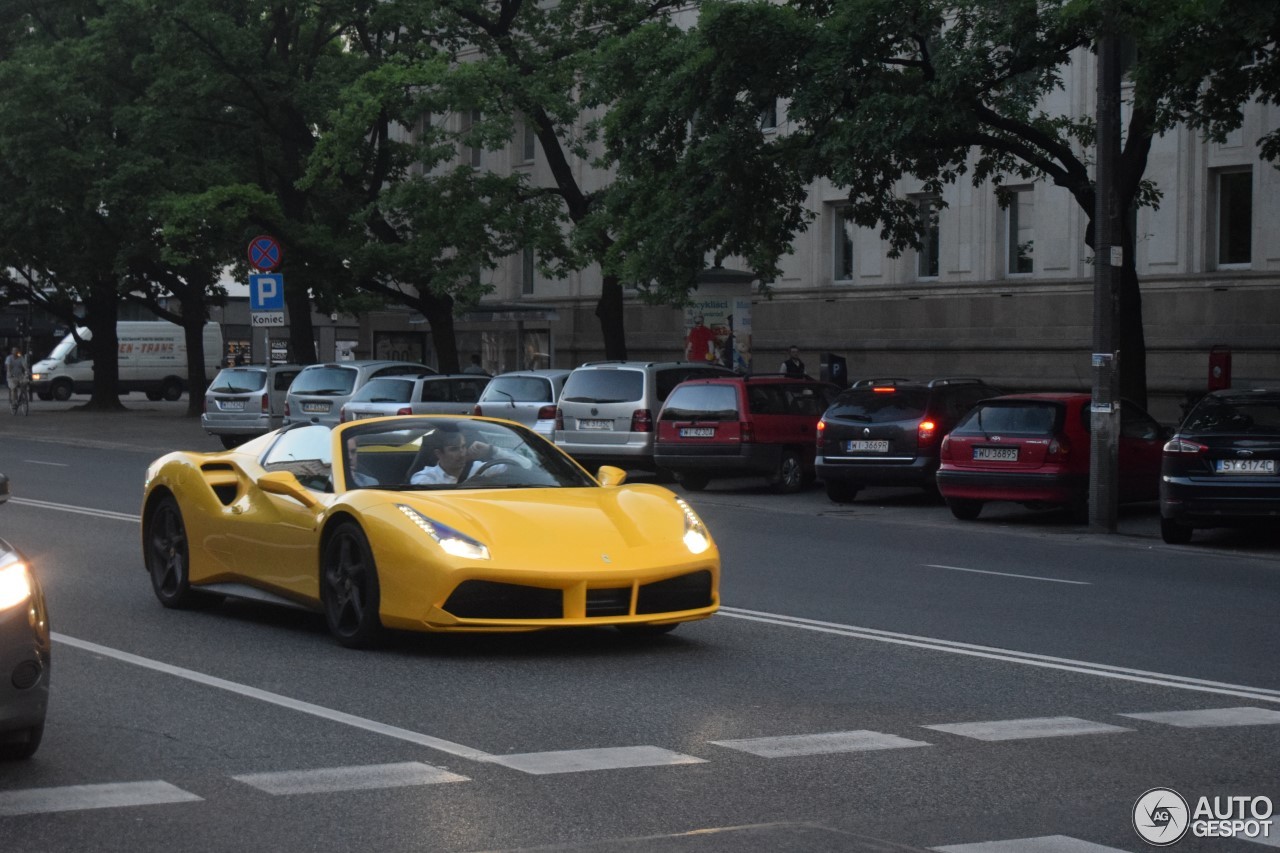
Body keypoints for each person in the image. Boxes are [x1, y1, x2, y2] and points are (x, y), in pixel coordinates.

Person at [409, 423, 523, 485]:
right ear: (439, 453)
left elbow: (524, 465)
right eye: (454, 449)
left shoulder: (480, 468)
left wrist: (492, 450)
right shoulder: (426, 478)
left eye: (463, 447)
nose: (462, 453)